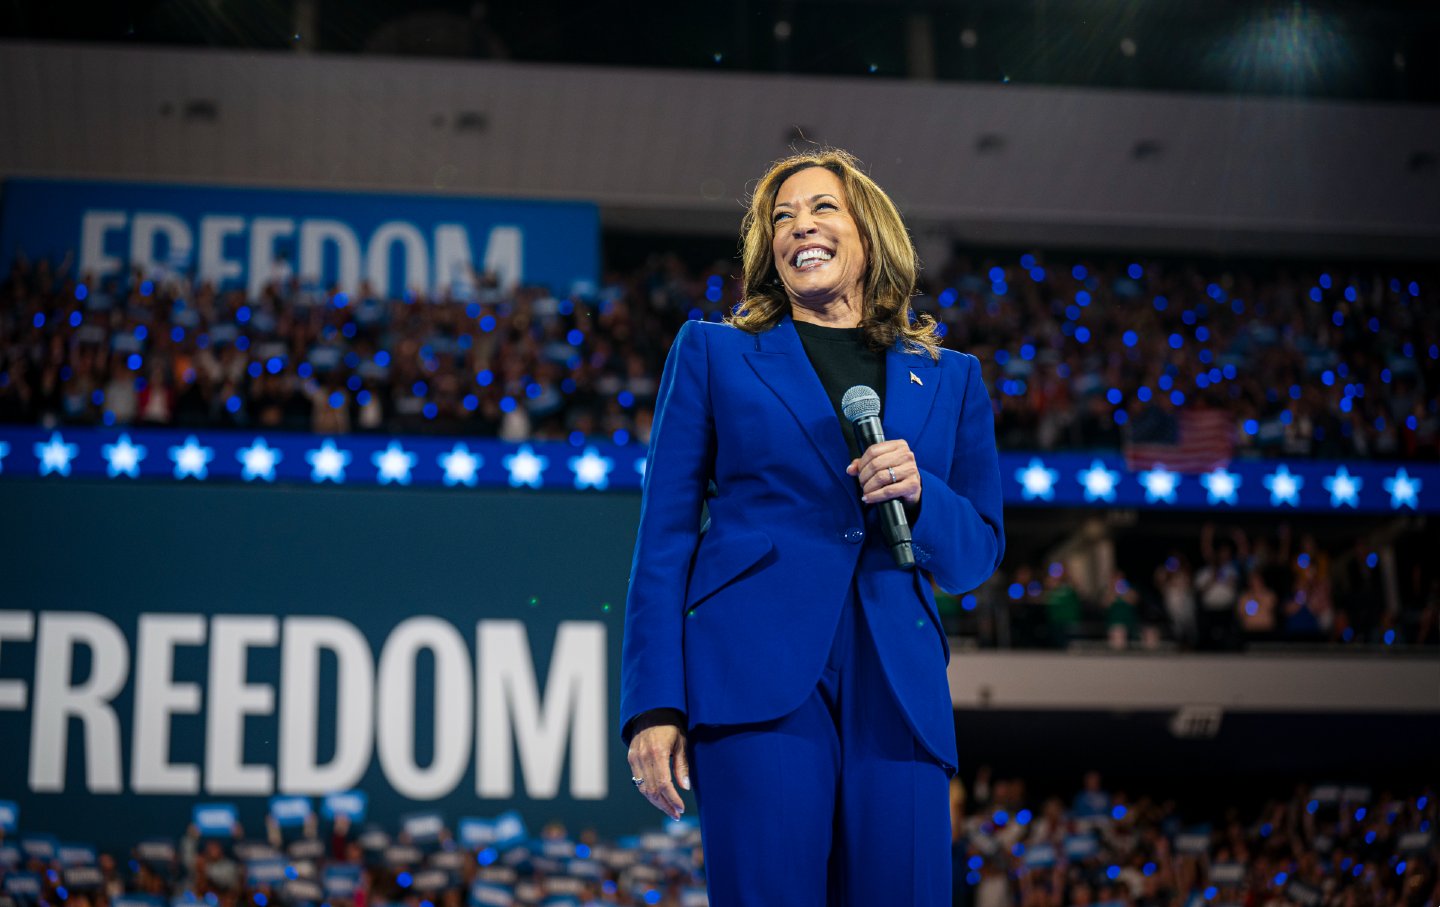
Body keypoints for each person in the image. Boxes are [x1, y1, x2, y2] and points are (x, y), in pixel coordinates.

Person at [619, 149, 1005, 905]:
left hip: (899, 686)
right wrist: (654, 703)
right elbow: (663, 539)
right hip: (755, 675)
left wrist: (923, 493)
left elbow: (977, 554)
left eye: (822, 207)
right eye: (781, 218)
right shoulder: (713, 353)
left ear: (868, 233)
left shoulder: (952, 376)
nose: (800, 225)